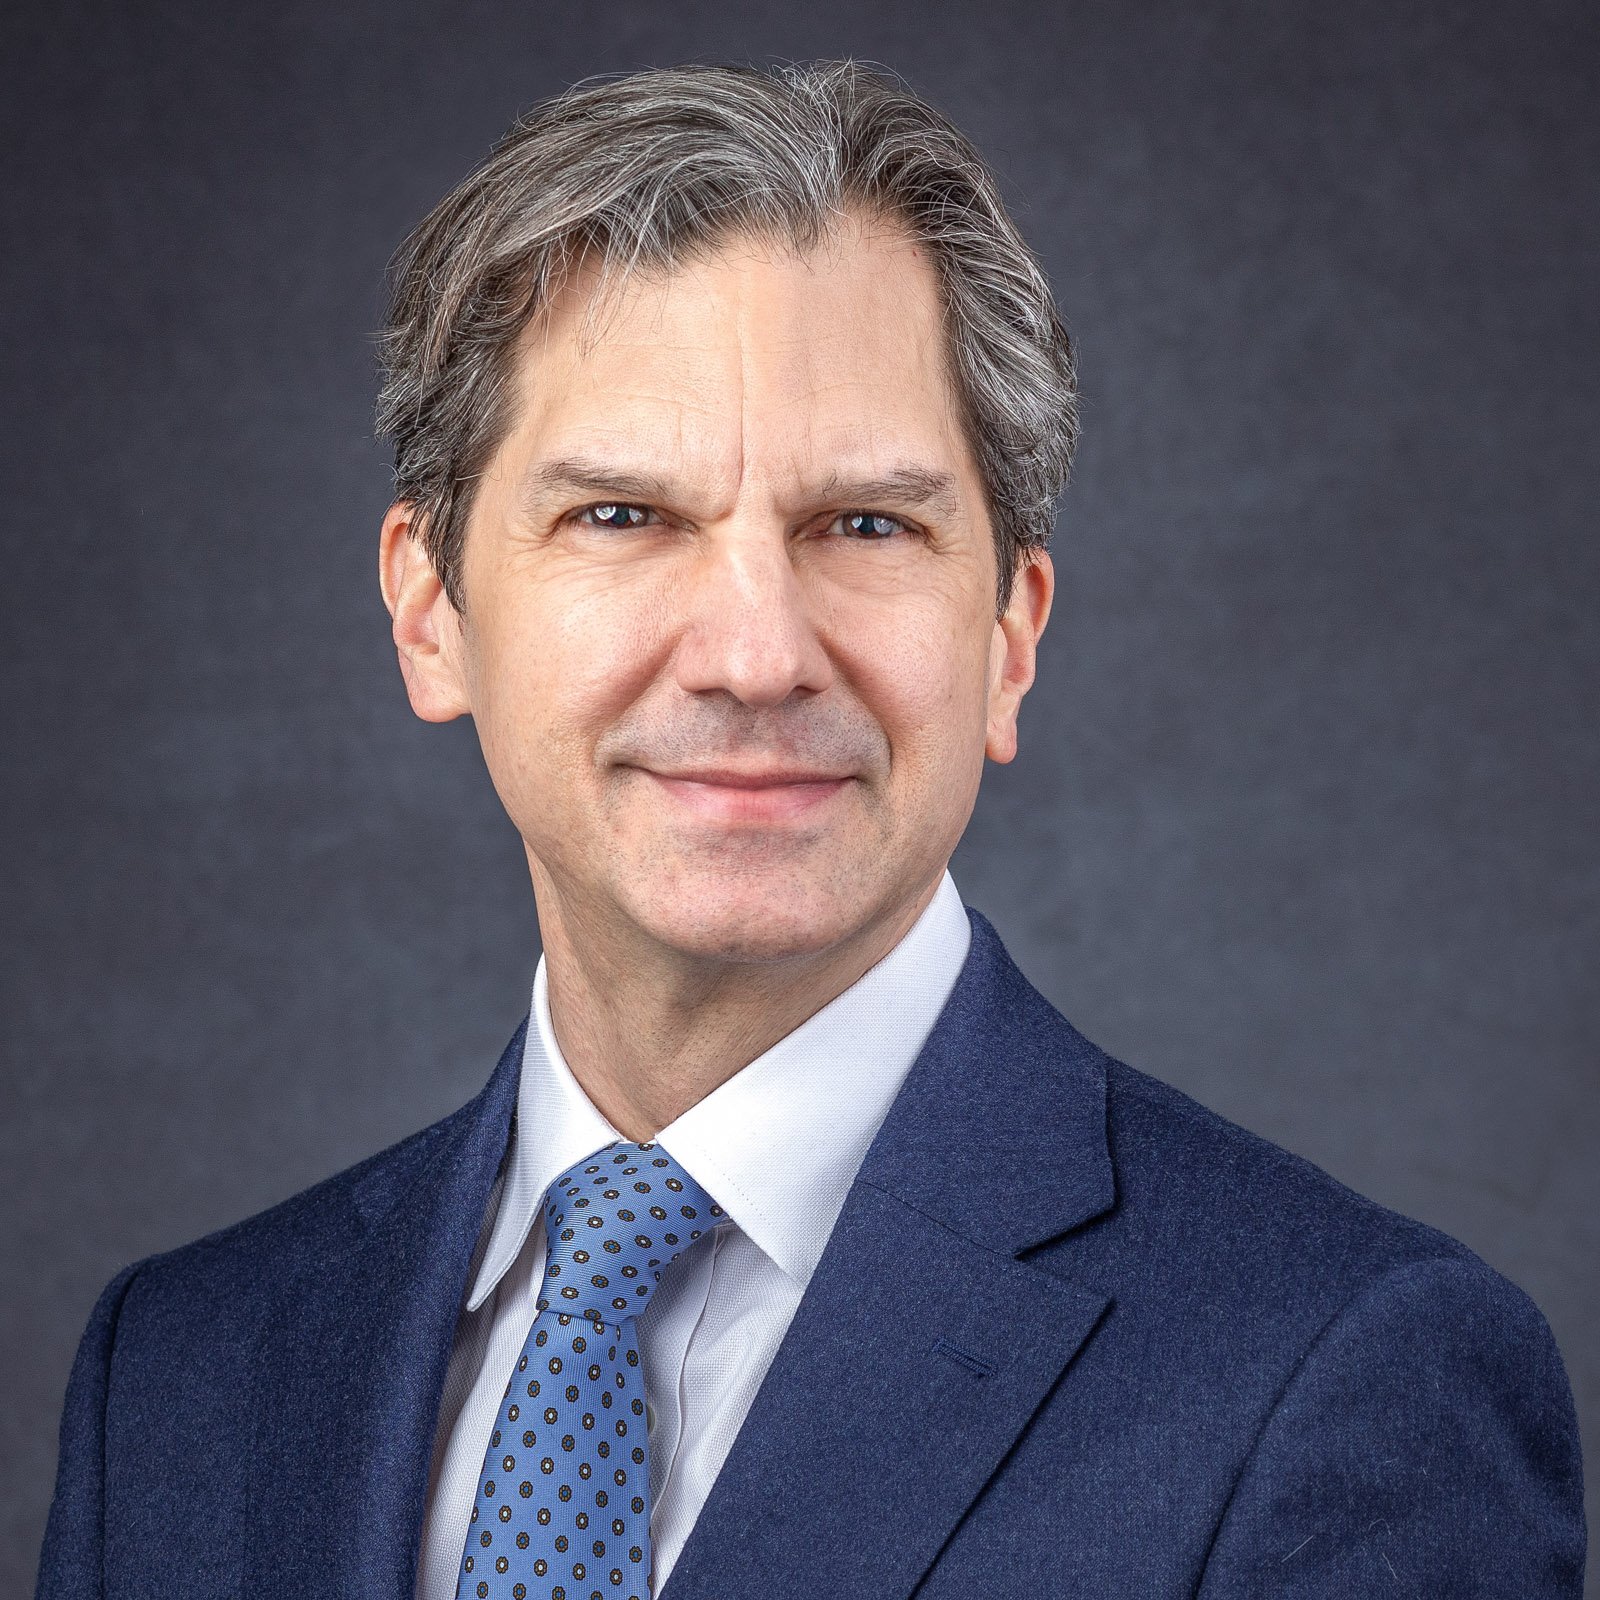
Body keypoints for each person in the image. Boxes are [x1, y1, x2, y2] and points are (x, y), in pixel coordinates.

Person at [37, 58, 1585, 1600]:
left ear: (1009, 637)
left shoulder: (1345, 1379)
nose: (756, 653)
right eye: (623, 518)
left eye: (865, 525)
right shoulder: (179, 1376)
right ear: (432, 609)